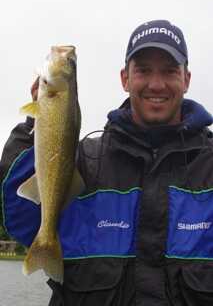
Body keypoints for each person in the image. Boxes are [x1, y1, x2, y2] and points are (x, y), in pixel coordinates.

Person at [1, 19, 213, 306]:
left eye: (169, 71)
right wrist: (38, 123)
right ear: (125, 78)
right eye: (143, 70)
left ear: (186, 79)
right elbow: (20, 215)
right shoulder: (84, 163)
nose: (156, 83)